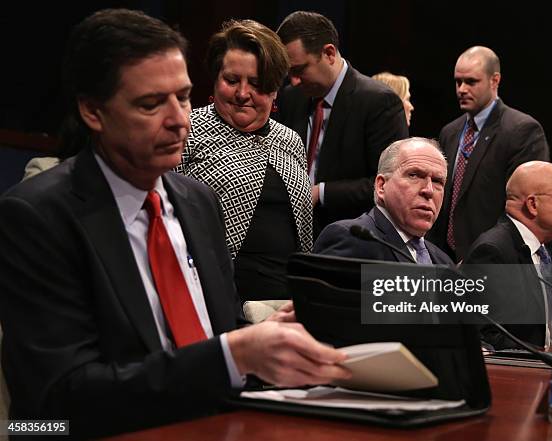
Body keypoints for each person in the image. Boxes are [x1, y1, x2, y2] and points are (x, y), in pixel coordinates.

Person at [0, 9, 349, 438]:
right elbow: (49, 410)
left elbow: (211, 336)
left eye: (182, 98)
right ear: (93, 111)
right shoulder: (36, 217)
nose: (179, 120)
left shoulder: (198, 203)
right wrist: (233, 355)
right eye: (151, 104)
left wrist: (265, 339)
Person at [176, 20, 311, 301]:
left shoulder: (291, 140)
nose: (242, 94)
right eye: (232, 80)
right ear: (215, 79)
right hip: (216, 299)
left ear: (274, 89)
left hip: (288, 302)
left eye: (257, 84)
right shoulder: (187, 130)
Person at [275, 11, 409, 237]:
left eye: (299, 70)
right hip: (290, 234)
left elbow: (391, 182)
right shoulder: (291, 97)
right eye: (289, 72)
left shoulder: (378, 102)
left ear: (329, 53)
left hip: (352, 239)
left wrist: (322, 192)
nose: (294, 80)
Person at [428, 46, 550, 262]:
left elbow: (524, 206)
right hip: (444, 257)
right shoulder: (450, 132)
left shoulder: (521, 130)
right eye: (458, 82)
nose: (462, 89)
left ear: (495, 81)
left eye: (471, 82)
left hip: (493, 259)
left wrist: (486, 252)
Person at [463, 161, 552, 350]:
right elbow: (486, 336)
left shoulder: (544, 250)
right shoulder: (493, 252)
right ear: (533, 204)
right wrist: (545, 357)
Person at [314, 137, 453, 265]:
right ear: (381, 186)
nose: (429, 190)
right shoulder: (350, 239)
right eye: (414, 175)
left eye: (437, 181)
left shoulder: (443, 262)